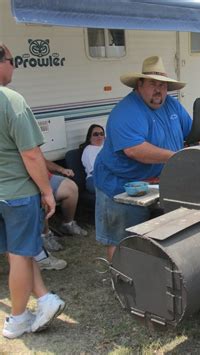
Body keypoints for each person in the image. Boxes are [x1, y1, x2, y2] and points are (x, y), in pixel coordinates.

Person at [94, 55, 192, 261]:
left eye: (163, 85)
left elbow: (192, 131)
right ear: (139, 85)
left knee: (152, 238)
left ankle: (145, 279)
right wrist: (176, 157)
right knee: (122, 241)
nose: (159, 90)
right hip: (121, 186)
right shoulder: (127, 110)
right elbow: (135, 150)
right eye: (153, 84)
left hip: (155, 184)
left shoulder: (172, 106)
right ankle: (119, 283)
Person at [0, 43, 65, 339]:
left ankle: (45, 298)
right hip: (16, 193)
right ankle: (18, 319)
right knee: (21, 252)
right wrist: (46, 191)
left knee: (17, 254)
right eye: (13, 61)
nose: (14, 66)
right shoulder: (11, 101)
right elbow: (31, 155)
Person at [79, 124, 105, 194]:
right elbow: (94, 171)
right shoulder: (89, 149)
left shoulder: (107, 147)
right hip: (94, 179)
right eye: (96, 134)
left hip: (108, 176)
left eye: (101, 134)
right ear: (90, 137)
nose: (99, 136)